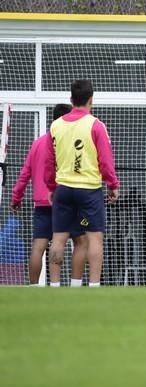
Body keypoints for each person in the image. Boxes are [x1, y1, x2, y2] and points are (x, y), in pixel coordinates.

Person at [44, 80, 120, 288]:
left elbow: (49, 161)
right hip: (88, 191)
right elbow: (105, 161)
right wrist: (113, 185)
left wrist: (51, 187)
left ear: (71, 99)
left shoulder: (55, 125)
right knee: (93, 238)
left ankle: (55, 286)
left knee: (58, 239)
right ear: (91, 100)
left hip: (63, 190)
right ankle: (92, 286)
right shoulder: (96, 125)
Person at [11, 104, 88, 287]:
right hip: (65, 200)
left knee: (39, 245)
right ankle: (65, 286)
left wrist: (16, 198)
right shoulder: (68, 143)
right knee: (78, 240)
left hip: (41, 203)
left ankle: (33, 287)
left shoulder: (37, 143)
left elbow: (25, 173)